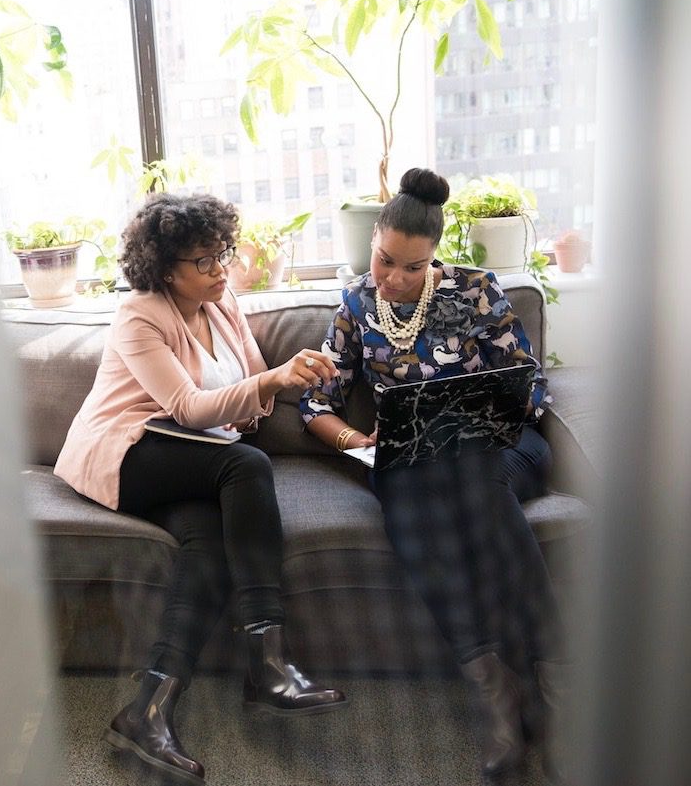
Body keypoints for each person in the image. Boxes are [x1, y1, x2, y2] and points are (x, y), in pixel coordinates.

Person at [54, 192, 347, 784]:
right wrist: (271, 381)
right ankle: (267, 661)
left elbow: (250, 388)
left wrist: (289, 380)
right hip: (128, 449)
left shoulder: (222, 304)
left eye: (223, 254)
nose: (221, 270)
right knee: (247, 467)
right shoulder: (140, 314)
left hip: (191, 456)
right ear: (165, 268)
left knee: (209, 547)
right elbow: (187, 407)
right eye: (204, 261)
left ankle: (148, 710)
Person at [299, 167, 568, 782]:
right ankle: (499, 695)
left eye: (411, 268)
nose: (393, 278)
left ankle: (555, 686)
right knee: (405, 492)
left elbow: (531, 385)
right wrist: (354, 438)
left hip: (502, 450)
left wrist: (498, 401)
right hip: (413, 464)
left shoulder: (477, 291)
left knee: (474, 474)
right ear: (372, 242)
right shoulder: (356, 305)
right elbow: (317, 402)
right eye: (384, 260)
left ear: (434, 261)